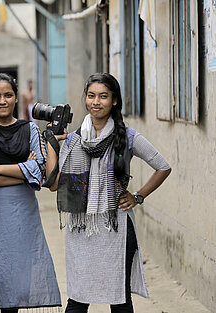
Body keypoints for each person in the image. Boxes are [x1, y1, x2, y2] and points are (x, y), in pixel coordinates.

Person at [45, 73, 171, 313]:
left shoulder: (128, 137)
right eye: (91, 96)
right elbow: (54, 184)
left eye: (103, 96)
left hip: (117, 229)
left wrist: (138, 196)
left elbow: (163, 166)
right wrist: (52, 142)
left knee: (120, 300)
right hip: (81, 229)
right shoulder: (73, 140)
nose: (96, 102)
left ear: (114, 100)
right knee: (78, 299)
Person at [0, 73, 62, 313]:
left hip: (22, 217)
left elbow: (40, 170)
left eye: (7, 95)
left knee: (17, 279)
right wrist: (22, 172)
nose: (2, 101)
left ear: (15, 98)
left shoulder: (28, 128)